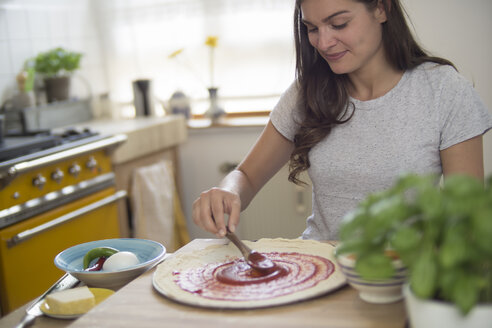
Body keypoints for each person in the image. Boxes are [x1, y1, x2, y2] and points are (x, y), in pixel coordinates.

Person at [192, 0, 492, 241]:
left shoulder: (443, 91)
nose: (323, 43)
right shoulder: (306, 93)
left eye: (339, 24)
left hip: (402, 280)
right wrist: (227, 191)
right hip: (322, 272)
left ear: (381, 8)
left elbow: (468, 220)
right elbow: (247, 176)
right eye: (311, 28)